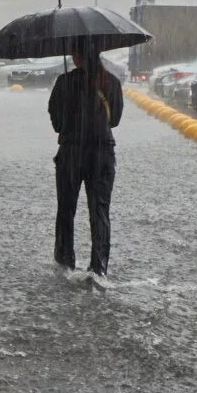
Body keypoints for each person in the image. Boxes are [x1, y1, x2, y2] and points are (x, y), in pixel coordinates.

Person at [48, 41, 123, 278]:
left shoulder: (64, 82)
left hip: (71, 152)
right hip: (102, 152)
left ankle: (65, 263)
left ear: (77, 56)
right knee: (99, 211)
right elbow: (115, 120)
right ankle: (98, 269)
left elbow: (57, 122)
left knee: (66, 209)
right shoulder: (111, 82)